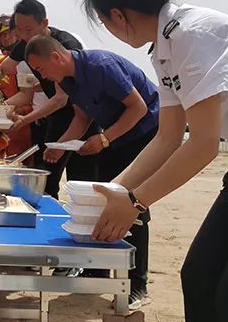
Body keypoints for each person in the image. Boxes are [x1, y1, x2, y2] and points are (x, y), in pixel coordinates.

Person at [84, 0, 228, 322]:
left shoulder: (194, 34)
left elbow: (201, 145)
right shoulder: (166, 46)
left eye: (105, 23)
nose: (108, 32)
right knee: (198, 276)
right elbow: (169, 136)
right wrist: (111, 190)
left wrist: (134, 202)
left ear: (118, 15)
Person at [25, 34, 159, 307]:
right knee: (102, 199)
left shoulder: (101, 65)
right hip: (116, 136)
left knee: (133, 202)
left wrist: (105, 139)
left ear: (56, 57)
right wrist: (60, 147)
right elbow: (82, 117)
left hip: (146, 133)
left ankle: (138, 284)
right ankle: (98, 269)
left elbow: (138, 107)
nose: (43, 76)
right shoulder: (67, 81)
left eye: (41, 69)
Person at [0, 0, 96, 195]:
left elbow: (60, 99)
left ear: (44, 23)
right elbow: (4, 68)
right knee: (46, 179)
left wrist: (24, 120)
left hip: (81, 114)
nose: (22, 35)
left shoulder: (64, 46)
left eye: (27, 29)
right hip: (59, 115)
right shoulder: (25, 44)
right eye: (18, 29)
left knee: (82, 182)